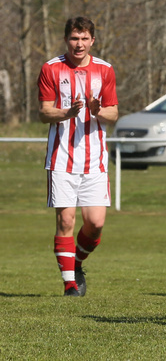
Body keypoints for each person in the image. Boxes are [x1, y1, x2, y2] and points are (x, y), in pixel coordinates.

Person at [38, 16, 119, 296]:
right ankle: (70, 285)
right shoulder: (51, 68)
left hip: (95, 160)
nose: (79, 44)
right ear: (66, 39)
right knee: (66, 221)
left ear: (92, 40)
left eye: (84, 39)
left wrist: (97, 111)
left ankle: (76, 262)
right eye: (74, 38)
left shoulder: (105, 70)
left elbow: (113, 113)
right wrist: (66, 113)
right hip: (61, 157)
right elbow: (43, 111)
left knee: (95, 223)